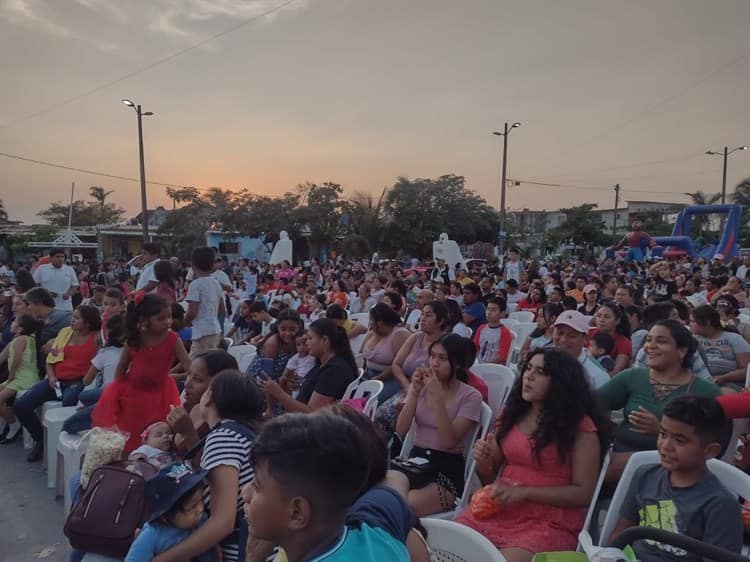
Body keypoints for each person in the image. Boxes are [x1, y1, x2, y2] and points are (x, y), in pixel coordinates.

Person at [454, 348, 608, 561]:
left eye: (541, 372)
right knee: (450, 545)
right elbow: (489, 478)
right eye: (528, 368)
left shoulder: (580, 427)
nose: (529, 376)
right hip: (500, 509)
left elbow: (583, 494)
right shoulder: (512, 414)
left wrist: (524, 493)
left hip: (550, 520)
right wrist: (483, 462)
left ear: (561, 382)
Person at [243, 411, 413, 562]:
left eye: (257, 486)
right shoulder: (378, 529)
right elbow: (395, 477)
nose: (245, 494)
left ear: (297, 513)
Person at [610, 396, 743, 561]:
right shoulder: (644, 475)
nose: (666, 446)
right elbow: (620, 535)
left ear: (710, 451)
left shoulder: (720, 504)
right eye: (663, 434)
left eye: (680, 441)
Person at [154, 370, 263, 562]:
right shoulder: (244, 435)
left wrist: (163, 559)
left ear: (210, 398)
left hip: (239, 551)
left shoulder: (224, 438)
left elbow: (223, 522)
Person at [597, 320, 721, 483]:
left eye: (661, 341)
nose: (650, 346)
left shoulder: (705, 391)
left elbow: (716, 445)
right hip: (616, 453)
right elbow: (591, 406)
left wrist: (660, 431)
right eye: (648, 340)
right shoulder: (632, 377)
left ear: (682, 351)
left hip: (670, 463)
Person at [392, 333, 483, 516]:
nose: (434, 363)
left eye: (442, 358)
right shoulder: (424, 388)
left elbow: (449, 442)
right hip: (414, 462)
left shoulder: (471, 396)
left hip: (445, 471)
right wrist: (414, 393)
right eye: (432, 356)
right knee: (381, 497)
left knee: (407, 506)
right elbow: (400, 430)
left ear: (456, 363)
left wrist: (438, 400)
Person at [92, 293, 191, 454]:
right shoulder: (135, 340)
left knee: (158, 436)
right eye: (161, 318)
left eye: (169, 317)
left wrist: (191, 382)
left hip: (161, 395)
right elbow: (122, 367)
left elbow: (189, 366)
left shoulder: (173, 339)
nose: (168, 321)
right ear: (144, 321)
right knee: (130, 436)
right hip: (133, 396)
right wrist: (115, 394)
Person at [16, 305, 100, 462]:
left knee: (69, 402)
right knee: (21, 405)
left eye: (76, 318)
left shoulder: (96, 339)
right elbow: (50, 361)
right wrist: (52, 377)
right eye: (72, 316)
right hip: (56, 380)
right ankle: (41, 439)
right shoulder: (64, 333)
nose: (71, 320)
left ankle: (60, 446)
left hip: (79, 382)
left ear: (88, 323)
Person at [258, 318, 358, 414]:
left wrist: (278, 392)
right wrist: (289, 386)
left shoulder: (334, 370)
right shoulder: (322, 363)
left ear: (325, 340)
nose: (307, 343)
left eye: (310, 338)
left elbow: (311, 413)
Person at [126, 464, 213, 562]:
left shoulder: (200, 523)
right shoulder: (152, 535)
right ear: (166, 515)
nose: (200, 509)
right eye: (192, 507)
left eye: (201, 501)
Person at [62, 314, 125, 435]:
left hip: (111, 396)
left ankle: (99, 417)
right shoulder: (136, 352)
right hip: (121, 393)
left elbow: (86, 381)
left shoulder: (104, 353)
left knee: (69, 424)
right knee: (87, 396)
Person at [0, 314, 44, 443]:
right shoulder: (18, 340)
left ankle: (14, 423)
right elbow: (2, 357)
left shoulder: (21, 340)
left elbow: (16, 360)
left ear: (19, 329)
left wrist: (11, 375)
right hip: (18, 377)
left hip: (24, 378)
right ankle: (6, 420)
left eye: (14, 321)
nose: (11, 323)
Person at [689, 304, 750, 391]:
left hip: (729, 383)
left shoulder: (734, 338)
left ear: (707, 323)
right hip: (700, 382)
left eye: (693, 321)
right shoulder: (693, 341)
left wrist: (723, 378)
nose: (689, 324)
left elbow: (746, 370)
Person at [551, 310, 610, 389]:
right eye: (560, 333)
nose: (563, 340)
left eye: (572, 336)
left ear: (585, 339)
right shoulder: (541, 360)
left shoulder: (597, 376)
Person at [185, 247, 225, 358]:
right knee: (209, 362)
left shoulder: (195, 285)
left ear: (193, 266)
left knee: (194, 365)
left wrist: (185, 322)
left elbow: (192, 312)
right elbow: (222, 309)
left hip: (202, 332)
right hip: (215, 329)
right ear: (212, 265)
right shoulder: (216, 283)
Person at [246, 308, 302, 382]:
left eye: (292, 329)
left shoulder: (299, 341)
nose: (287, 333)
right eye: (283, 329)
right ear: (277, 327)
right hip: (258, 381)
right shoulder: (273, 343)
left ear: (299, 327)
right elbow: (265, 376)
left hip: (280, 381)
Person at [361, 303, 410, 381]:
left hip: (390, 378)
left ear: (380, 321)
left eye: (371, 319)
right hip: (367, 373)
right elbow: (361, 355)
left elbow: (399, 364)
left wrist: (378, 378)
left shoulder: (400, 335)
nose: (369, 322)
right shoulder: (373, 332)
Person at [589, 302, 632, 374]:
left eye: (606, 317)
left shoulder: (624, 342)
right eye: (598, 316)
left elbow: (616, 371)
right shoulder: (588, 333)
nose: (601, 320)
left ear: (617, 321)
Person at [473, 297, 513, 365]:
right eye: (488, 309)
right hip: (479, 362)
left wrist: (484, 364)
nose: (489, 312)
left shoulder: (504, 332)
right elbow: (474, 347)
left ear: (502, 313)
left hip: (494, 367)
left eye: (493, 310)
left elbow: (502, 357)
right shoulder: (481, 328)